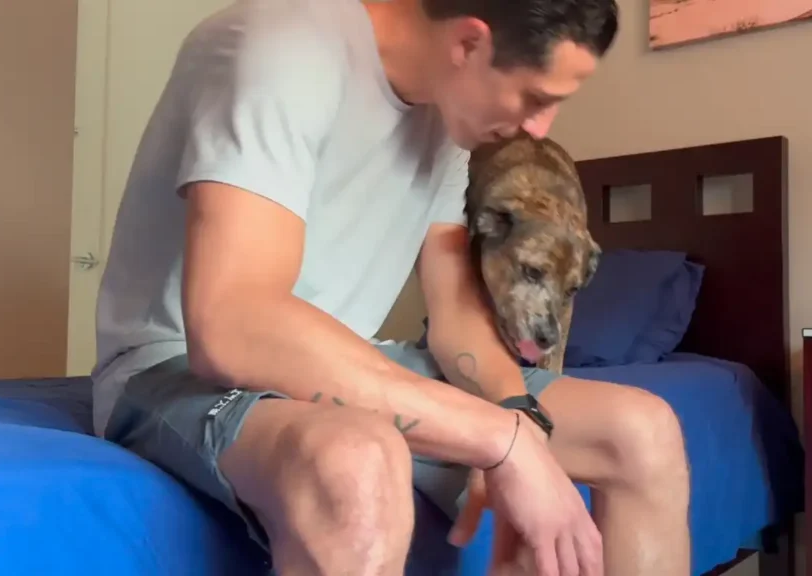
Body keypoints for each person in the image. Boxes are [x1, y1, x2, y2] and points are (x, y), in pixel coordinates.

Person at [91, 0, 690, 574]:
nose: (539, 129)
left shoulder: (452, 112)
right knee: (358, 462)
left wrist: (519, 417)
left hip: (349, 356)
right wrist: (496, 441)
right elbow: (235, 327)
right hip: (173, 367)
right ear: (468, 42)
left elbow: (455, 314)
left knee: (643, 432)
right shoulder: (280, 47)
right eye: (536, 98)